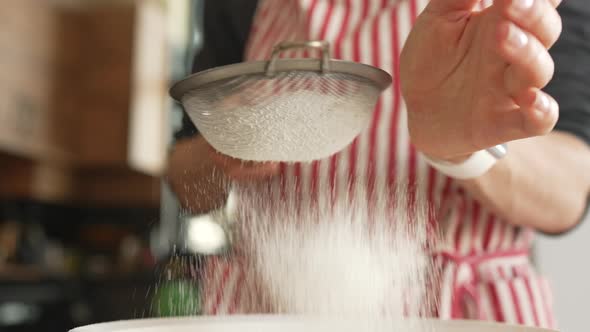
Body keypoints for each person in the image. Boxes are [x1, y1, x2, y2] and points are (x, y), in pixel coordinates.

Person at [167, 0, 590, 328]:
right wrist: (228, 144)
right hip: (276, 307)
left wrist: (466, 148)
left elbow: (568, 193)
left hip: (465, 314)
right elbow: (182, 176)